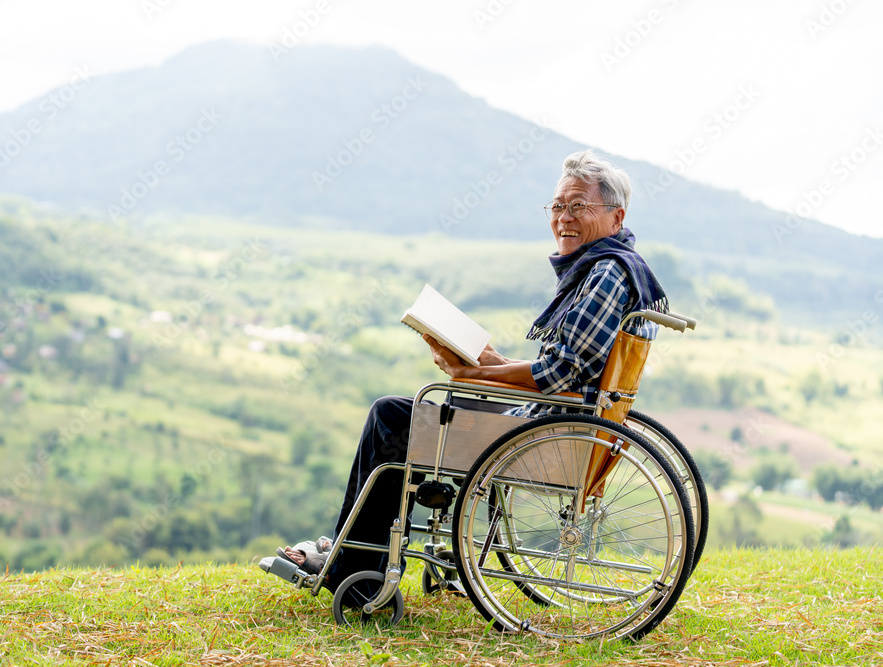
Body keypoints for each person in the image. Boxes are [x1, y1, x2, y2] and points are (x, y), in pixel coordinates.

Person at [272, 149, 668, 590]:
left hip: (549, 434)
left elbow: (557, 374)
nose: (564, 218)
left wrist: (472, 375)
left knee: (392, 416)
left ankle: (355, 568)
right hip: (554, 422)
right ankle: (358, 553)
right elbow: (567, 367)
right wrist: (491, 362)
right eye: (557, 206)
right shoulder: (610, 267)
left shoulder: (607, 273)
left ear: (616, 217)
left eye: (579, 206)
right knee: (417, 415)